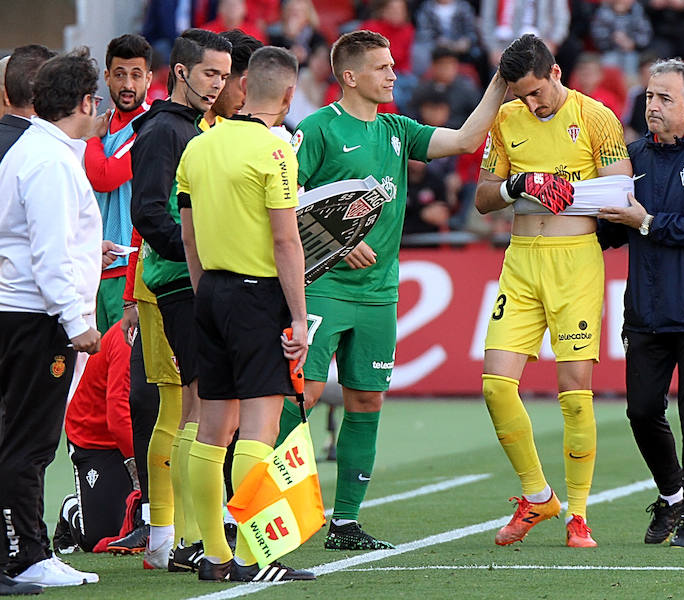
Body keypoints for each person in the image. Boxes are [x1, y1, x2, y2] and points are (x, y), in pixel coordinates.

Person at [293, 29, 507, 550]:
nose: (394, 74)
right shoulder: (318, 129)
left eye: (392, 65)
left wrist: (500, 82)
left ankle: (343, 523)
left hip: (379, 293)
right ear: (349, 77)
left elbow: (463, 140)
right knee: (300, 397)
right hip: (321, 287)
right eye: (382, 67)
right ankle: (265, 510)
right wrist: (336, 241)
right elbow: (283, 199)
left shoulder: (397, 129)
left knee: (366, 401)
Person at [475, 34, 631, 548]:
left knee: (574, 388)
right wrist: (519, 187)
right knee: (496, 384)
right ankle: (538, 495)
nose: (530, 104)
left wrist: (563, 193)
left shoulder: (597, 118)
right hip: (520, 261)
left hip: (574, 263)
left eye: (536, 93)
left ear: (557, 73)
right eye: (520, 96)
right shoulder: (505, 119)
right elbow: (482, 198)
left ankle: (579, 514)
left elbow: (619, 194)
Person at [179, 45, 314, 583]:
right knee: (258, 427)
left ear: (241, 87)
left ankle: (213, 554)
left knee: (212, 429)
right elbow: (286, 241)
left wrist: (206, 292)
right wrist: (300, 319)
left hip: (209, 291)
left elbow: (187, 236)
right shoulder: (276, 152)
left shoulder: (201, 145)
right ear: (287, 94)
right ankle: (256, 558)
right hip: (256, 295)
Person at [596, 57, 684, 548]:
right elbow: (611, 232)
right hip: (648, 310)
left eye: (663, 98)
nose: (652, 105)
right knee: (640, 411)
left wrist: (646, 222)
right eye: (649, 96)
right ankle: (672, 495)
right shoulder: (632, 154)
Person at [0, 47, 103, 588]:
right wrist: (75, 321)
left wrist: (92, 251)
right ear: (85, 102)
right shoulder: (50, 161)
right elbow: (47, 252)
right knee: (30, 442)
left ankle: (24, 550)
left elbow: (41, 240)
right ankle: (26, 555)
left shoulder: (36, 150)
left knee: (20, 438)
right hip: (35, 318)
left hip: (23, 311)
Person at [130, 28, 232, 571]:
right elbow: (148, 213)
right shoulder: (164, 133)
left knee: (196, 406)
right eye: (210, 73)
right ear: (182, 72)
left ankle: (181, 540)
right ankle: (180, 540)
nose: (217, 84)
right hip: (179, 282)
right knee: (194, 406)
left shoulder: (192, 128)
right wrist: (200, 258)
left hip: (192, 279)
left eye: (224, 74)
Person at [84, 34, 154, 334]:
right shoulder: (102, 124)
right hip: (91, 268)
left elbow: (105, 176)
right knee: (91, 373)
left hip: (126, 272)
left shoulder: (149, 126)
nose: (128, 85)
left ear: (149, 79)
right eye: (120, 74)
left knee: (121, 374)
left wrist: (89, 137)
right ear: (107, 77)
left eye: (136, 75)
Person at [53, 320, 140, 554]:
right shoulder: (128, 339)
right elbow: (118, 415)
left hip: (138, 437)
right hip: (95, 440)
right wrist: (139, 466)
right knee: (101, 538)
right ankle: (71, 510)